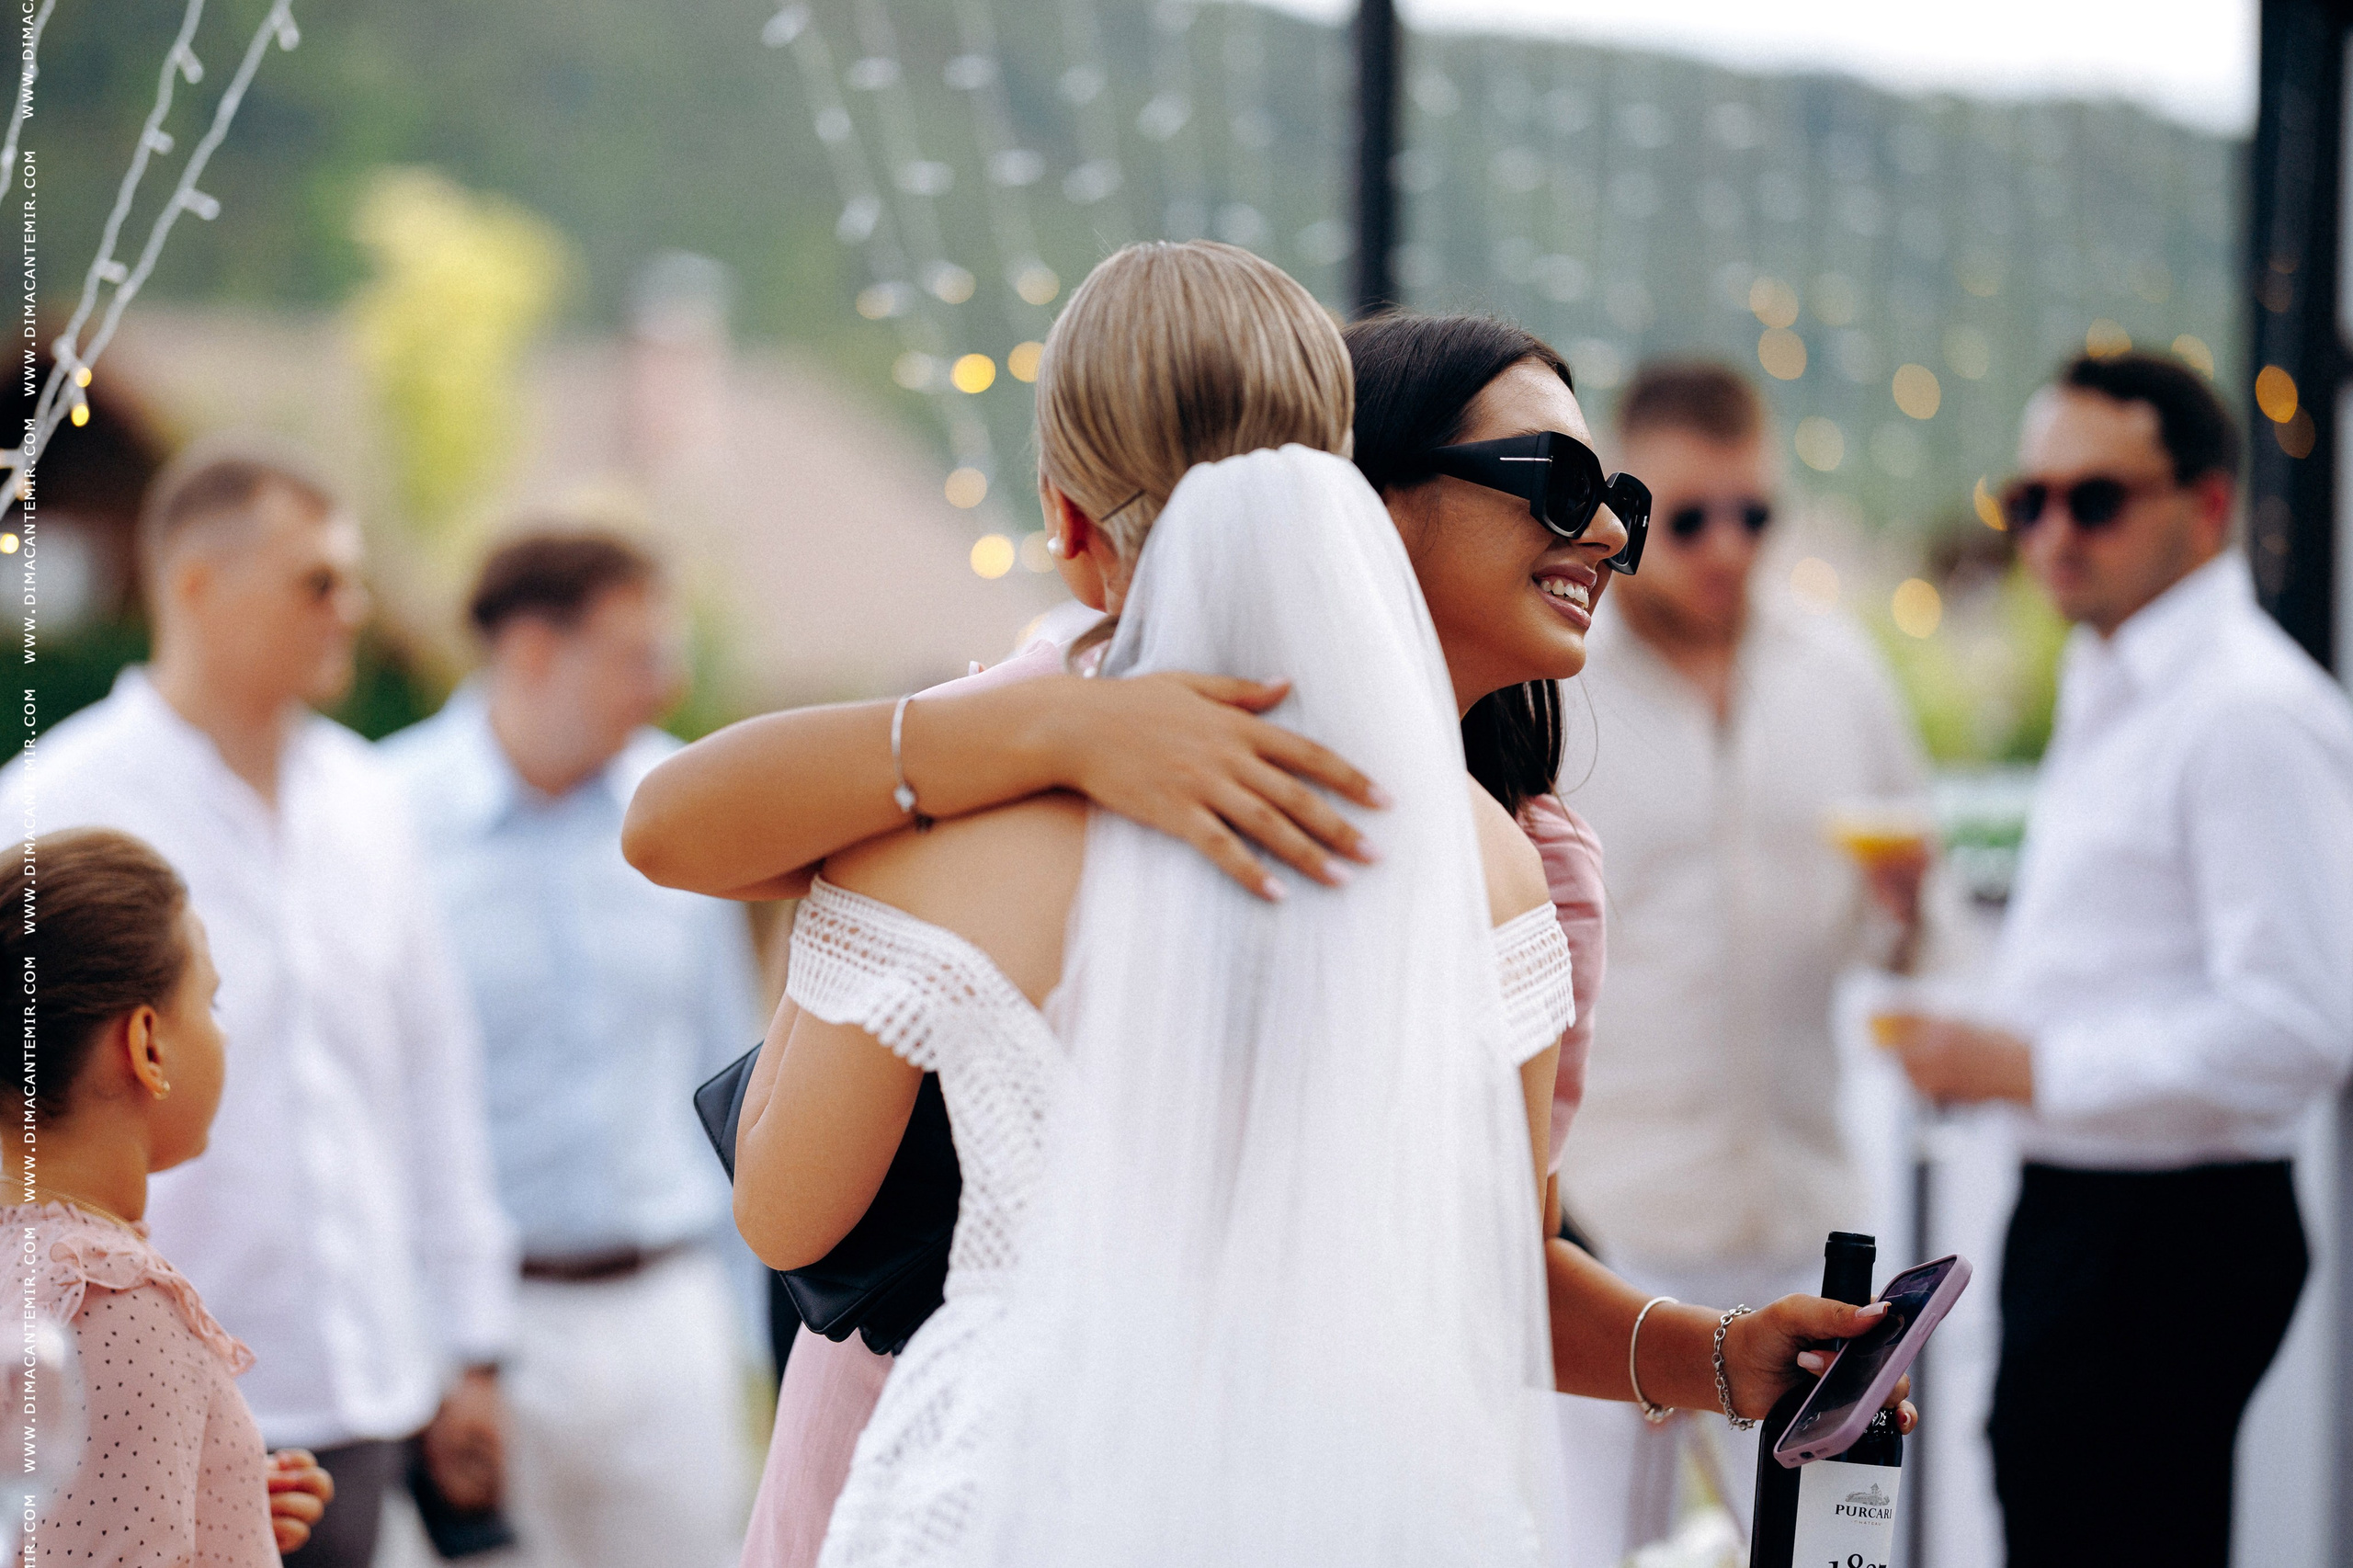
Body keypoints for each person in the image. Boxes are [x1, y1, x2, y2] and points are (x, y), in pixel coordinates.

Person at [624, 309, 1620, 1568]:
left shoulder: (943, 833)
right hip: (1351, 1483)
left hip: (1014, 1484)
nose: (1610, 530)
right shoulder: (1497, 864)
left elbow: (785, 1215)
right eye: (1562, 486)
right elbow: (1492, 1272)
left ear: (1070, 521)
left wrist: (861, 903)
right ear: (1344, 496)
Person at [3, 440, 518, 1565]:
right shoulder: (54, 801)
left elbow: (432, 1070)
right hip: (125, 1374)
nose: (353, 608)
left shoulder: (372, 800)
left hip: (362, 1379)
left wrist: (473, 1341)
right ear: (196, 584)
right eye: (318, 580)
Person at [1880, 352, 2353, 1566]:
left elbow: (2301, 1021)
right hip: (2099, 1217)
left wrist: (2030, 1066)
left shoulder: (2245, 710)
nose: (2052, 531)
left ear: (2204, 506)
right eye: (2026, 500)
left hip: (2172, 1233)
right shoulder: (2115, 676)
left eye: (2093, 498)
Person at [1549, 359, 1936, 1528]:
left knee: (1814, 1552)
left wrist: (1910, 912)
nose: (1725, 547)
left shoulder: (1841, 672)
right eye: (1691, 517)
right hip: (1610, 1242)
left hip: (1807, 1234)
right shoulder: (1556, 684)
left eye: (1752, 515)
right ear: (1625, 509)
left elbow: (1921, 952)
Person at [380, 529, 763, 1568]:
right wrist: (431, 1342)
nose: (666, 683)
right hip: (479, 1334)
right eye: (636, 655)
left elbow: (732, 1071)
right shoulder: (380, 818)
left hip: (667, 1320)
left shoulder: (684, 808)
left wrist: (745, 1329)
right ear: (534, 651)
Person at [9, 828, 336, 1561]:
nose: (222, 1036)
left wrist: (219, 1513)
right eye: (211, 1003)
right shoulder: (118, 1306)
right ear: (148, 1045)